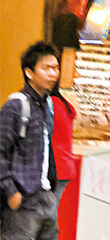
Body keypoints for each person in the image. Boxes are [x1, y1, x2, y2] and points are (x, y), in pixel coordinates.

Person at [0, 41, 62, 240]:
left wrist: (50, 189)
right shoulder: (16, 106)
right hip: (22, 202)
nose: (53, 74)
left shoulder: (48, 105)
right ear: (29, 72)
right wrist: (11, 190)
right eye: (46, 68)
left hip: (45, 196)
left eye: (55, 68)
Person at [50, 86, 77, 212]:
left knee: (47, 214)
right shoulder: (61, 103)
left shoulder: (50, 104)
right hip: (64, 165)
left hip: (54, 167)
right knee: (50, 211)